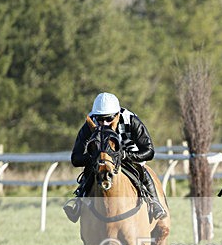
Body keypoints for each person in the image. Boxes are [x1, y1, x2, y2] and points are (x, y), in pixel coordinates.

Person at [63, 92, 167, 222]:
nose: (104, 123)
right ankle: (78, 203)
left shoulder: (130, 120)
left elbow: (149, 151)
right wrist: (95, 157)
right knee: (91, 170)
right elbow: (76, 158)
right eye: (100, 119)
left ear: (117, 114)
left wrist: (126, 155)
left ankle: (154, 202)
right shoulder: (89, 124)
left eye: (108, 118)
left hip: (128, 152)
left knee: (140, 167)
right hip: (102, 157)